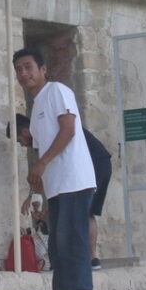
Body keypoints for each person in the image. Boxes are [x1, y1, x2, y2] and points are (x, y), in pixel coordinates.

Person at [12, 48, 96, 290]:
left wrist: (43, 162)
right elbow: (40, 155)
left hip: (74, 180)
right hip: (58, 187)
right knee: (58, 248)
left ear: (43, 69)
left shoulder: (57, 91)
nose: (24, 74)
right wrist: (37, 194)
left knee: (73, 245)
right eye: (19, 70)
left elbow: (68, 129)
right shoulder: (36, 109)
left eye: (28, 67)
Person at [15, 113, 112, 270]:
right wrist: (39, 199)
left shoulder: (44, 133)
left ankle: (89, 259)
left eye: (20, 141)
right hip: (99, 162)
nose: (21, 145)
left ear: (25, 132)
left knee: (85, 211)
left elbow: (42, 169)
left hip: (94, 163)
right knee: (84, 211)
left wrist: (32, 197)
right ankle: (88, 259)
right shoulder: (46, 131)